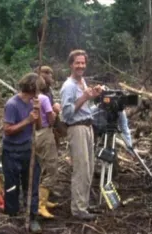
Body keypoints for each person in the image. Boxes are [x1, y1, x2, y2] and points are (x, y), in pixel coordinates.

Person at [60, 49, 103, 220]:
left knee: (89, 167)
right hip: (76, 128)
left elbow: (84, 108)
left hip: (87, 126)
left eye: (83, 63)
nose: (81, 66)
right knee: (80, 168)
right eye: (77, 63)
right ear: (71, 64)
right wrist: (84, 97)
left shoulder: (82, 82)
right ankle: (78, 209)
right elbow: (67, 114)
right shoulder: (68, 86)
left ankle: (83, 204)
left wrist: (93, 96)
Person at [2, 72, 44, 233]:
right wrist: (27, 120)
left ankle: (32, 216)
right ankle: (12, 216)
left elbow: (39, 127)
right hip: (11, 151)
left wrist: (37, 114)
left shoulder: (34, 103)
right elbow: (8, 130)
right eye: (39, 89)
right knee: (12, 185)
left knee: (32, 183)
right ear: (32, 88)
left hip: (28, 149)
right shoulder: (12, 104)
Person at [34, 68, 60, 219]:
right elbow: (51, 119)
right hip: (45, 133)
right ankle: (40, 205)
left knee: (42, 166)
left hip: (36, 135)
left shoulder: (30, 99)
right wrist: (55, 112)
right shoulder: (43, 99)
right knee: (51, 167)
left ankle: (43, 198)